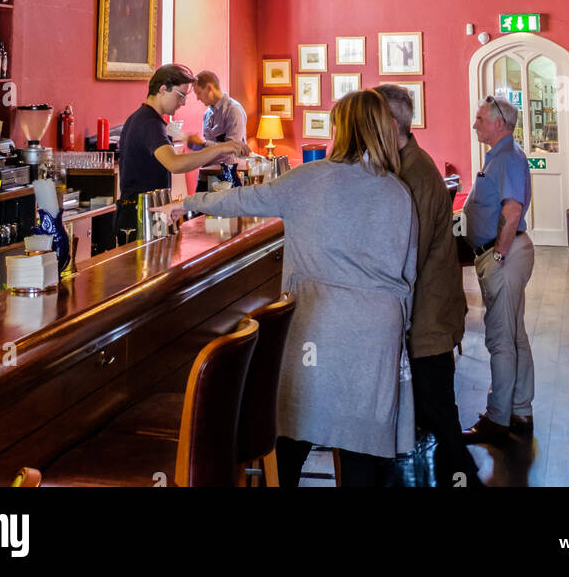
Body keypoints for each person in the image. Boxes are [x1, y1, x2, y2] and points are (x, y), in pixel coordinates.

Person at [173, 89, 418, 488]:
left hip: (318, 321)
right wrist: (399, 330)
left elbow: (242, 199)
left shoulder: (308, 179)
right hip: (376, 329)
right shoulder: (397, 192)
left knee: (295, 430)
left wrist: (187, 203)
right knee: (361, 450)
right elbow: (408, 274)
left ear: (342, 129)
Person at [375, 84, 481, 489]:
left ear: (388, 124)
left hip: (427, 322)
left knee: (438, 415)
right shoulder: (406, 166)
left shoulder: (413, 174)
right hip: (428, 316)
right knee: (433, 415)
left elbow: (405, 260)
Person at [462, 95, 535, 445]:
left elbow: (512, 210)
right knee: (514, 335)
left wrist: (499, 256)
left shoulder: (506, 157)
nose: (475, 124)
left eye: (479, 118)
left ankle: (498, 419)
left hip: (504, 255)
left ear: (499, 123)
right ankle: (519, 409)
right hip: (504, 252)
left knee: (500, 339)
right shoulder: (503, 155)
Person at [115, 64, 246, 238]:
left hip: (142, 211)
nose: (183, 102)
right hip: (141, 214)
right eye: (181, 95)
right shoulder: (150, 123)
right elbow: (175, 164)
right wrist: (221, 147)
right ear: (163, 89)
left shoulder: (141, 118)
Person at [188, 71, 247, 187]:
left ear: (209, 87)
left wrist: (203, 143)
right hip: (206, 174)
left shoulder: (233, 110)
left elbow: (233, 147)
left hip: (228, 177)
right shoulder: (207, 114)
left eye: (199, 93)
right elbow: (207, 148)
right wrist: (194, 144)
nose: (197, 98)